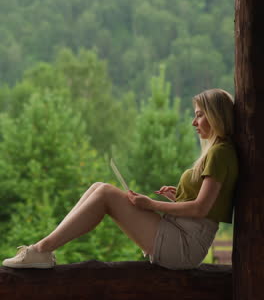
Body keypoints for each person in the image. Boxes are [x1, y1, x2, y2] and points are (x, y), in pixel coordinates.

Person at [2, 88, 238, 270]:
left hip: (185, 245)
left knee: (105, 193)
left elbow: (201, 208)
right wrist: (179, 196)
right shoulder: (220, 152)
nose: (194, 122)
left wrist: (151, 204)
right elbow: (208, 203)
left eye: (199, 115)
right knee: (98, 187)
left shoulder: (220, 152)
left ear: (215, 116)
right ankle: (42, 251)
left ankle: (41, 250)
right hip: (182, 234)